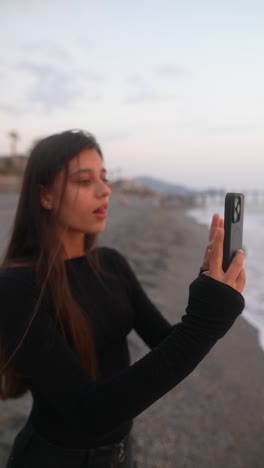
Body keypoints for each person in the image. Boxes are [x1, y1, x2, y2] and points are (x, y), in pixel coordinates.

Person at [0, 130, 245, 468]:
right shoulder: (16, 287)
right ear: (45, 197)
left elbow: (166, 343)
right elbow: (88, 412)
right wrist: (205, 322)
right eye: (85, 181)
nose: (106, 190)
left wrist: (207, 289)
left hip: (121, 454)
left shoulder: (111, 263)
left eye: (104, 177)